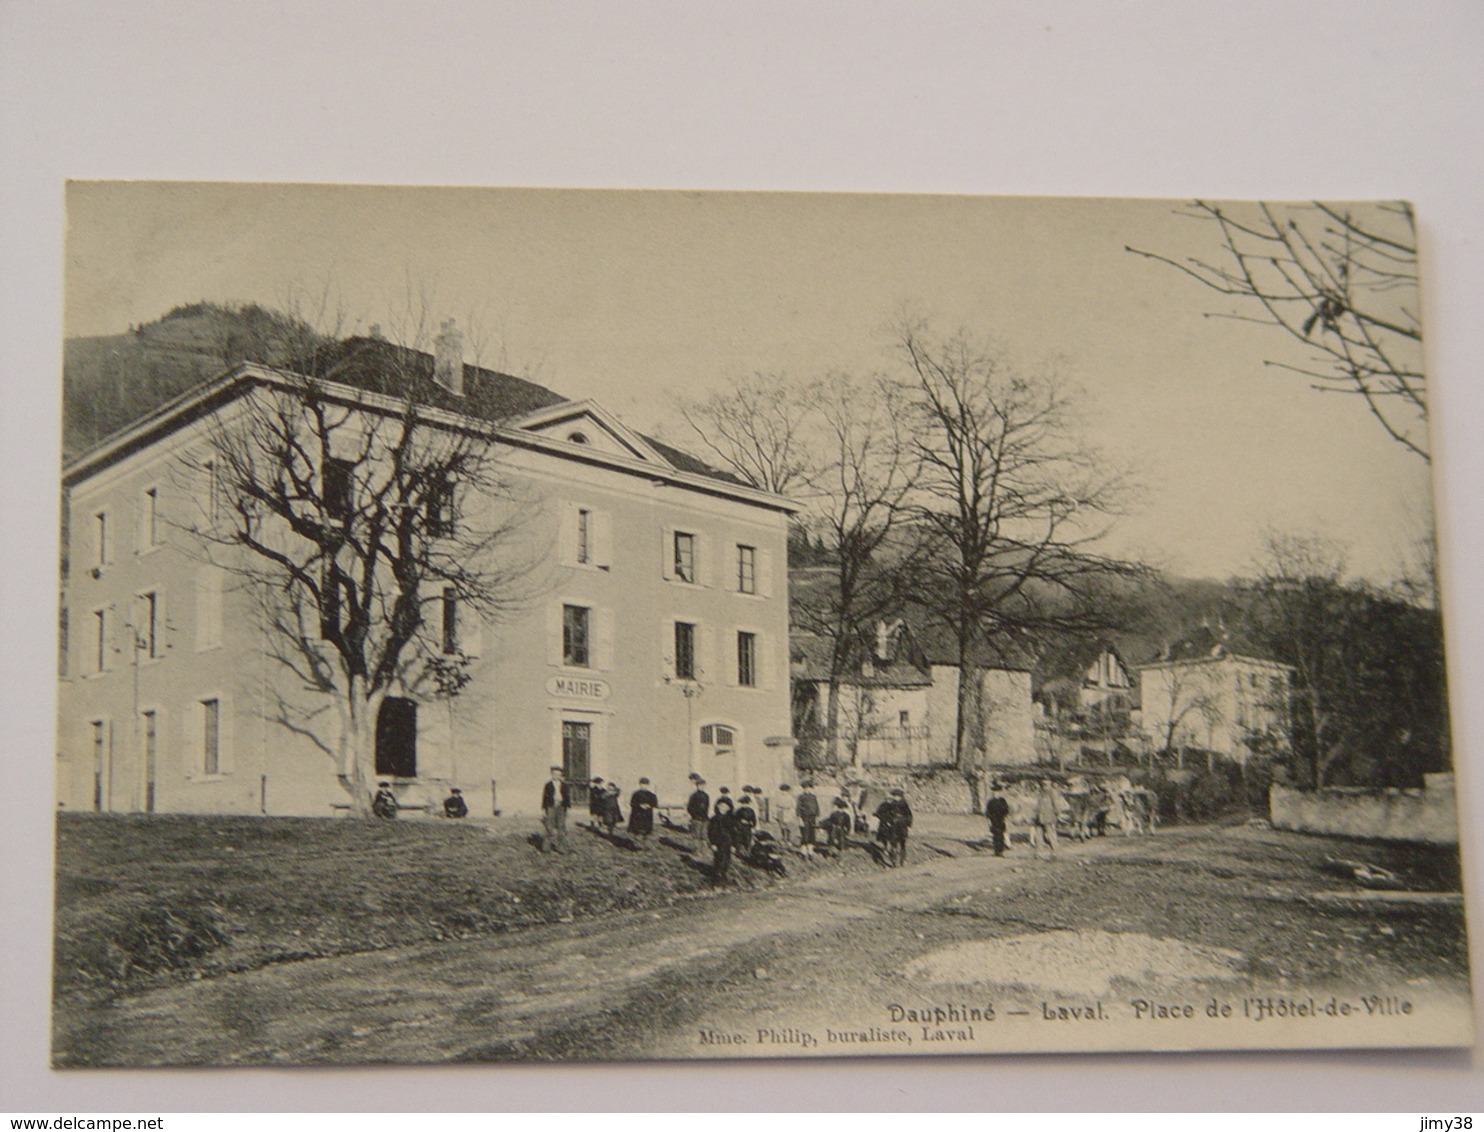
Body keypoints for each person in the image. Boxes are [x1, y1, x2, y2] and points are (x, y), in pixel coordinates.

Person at [874, 787, 913, 868]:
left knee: (902, 844)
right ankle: (894, 861)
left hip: (901, 827)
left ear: (900, 797)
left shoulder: (904, 805)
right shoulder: (890, 805)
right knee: (893, 844)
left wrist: (907, 823)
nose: (894, 798)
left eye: (895, 796)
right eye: (894, 796)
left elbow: (909, 816)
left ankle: (902, 860)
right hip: (893, 827)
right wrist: (888, 822)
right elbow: (887, 815)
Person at [540, 766, 570, 853]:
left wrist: (567, 808)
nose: (556, 776)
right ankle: (546, 847)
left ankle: (561, 847)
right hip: (551, 806)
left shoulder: (564, 785)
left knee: (561, 827)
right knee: (549, 826)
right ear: (551, 774)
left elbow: (567, 797)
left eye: (558, 774)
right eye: (554, 774)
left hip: (561, 806)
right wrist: (544, 809)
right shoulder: (548, 785)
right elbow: (545, 797)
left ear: (561, 775)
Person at [708, 795, 736, 885]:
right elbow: (711, 832)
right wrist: (713, 843)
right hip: (718, 842)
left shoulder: (731, 819)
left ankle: (724, 875)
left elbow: (734, 832)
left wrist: (734, 845)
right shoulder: (714, 819)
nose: (723, 808)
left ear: (729, 808)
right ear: (717, 806)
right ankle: (716, 877)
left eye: (725, 807)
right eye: (721, 806)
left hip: (728, 841)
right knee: (719, 859)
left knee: (727, 859)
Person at [1032, 778, 1060, 860]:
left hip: (1049, 817)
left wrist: (1056, 814)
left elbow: (1056, 805)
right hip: (1039, 817)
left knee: (1051, 835)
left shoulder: (1053, 793)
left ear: (1050, 784)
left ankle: (1054, 852)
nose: (1044, 786)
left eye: (1046, 784)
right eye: (1043, 784)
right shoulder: (1040, 793)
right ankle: (1038, 852)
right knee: (1038, 835)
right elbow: (1037, 804)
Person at [629, 777, 658, 844]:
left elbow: (655, 804)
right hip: (637, 814)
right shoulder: (636, 794)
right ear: (640, 784)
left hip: (647, 814)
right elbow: (632, 803)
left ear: (648, 785)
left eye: (645, 784)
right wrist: (640, 805)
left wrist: (649, 805)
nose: (643, 786)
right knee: (637, 829)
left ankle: (644, 842)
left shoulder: (651, 795)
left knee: (646, 829)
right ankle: (636, 843)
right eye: (642, 784)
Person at [985, 782, 1011, 857]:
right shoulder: (990, 802)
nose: (995, 794)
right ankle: (996, 851)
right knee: (995, 836)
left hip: (1001, 820)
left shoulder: (1002, 801)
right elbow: (988, 812)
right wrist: (989, 822)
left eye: (997, 792)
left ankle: (1001, 850)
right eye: (994, 792)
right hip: (994, 820)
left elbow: (1006, 810)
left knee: (1001, 835)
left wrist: (1006, 818)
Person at [796, 782, 820, 854]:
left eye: (809, 788)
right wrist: (799, 819)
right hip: (804, 817)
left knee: (812, 834)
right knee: (805, 834)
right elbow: (798, 808)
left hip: (812, 818)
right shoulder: (801, 797)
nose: (807, 790)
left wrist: (817, 817)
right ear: (803, 789)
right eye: (805, 788)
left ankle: (810, 851)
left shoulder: (813, 797)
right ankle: (803, 852)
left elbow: (817, 807)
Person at [732, 791, 758, 856]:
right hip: (741, 826)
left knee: (747, 839)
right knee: (739, 839)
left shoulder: (750, 811)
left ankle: (746, 851)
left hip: (746, 826)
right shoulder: (739, 810)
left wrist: (753, 826)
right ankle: (738, 851)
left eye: (746, 803)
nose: (745, 805)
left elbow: (753, 819)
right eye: (743, 803)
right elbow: (735, 818)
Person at [686, 778, 711, 842]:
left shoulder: (706, 796)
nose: (702, 787)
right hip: (696, 819)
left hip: (704, 819)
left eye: (703, 785)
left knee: (704, 836)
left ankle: (703, 851)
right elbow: (689, 807)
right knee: (696, 836)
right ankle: (696, 851)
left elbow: (707, 806)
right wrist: (694, 816)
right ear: (697, 786)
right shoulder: (694, 796)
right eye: (700, 785)